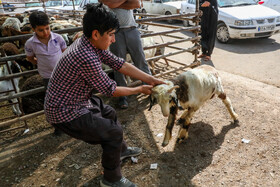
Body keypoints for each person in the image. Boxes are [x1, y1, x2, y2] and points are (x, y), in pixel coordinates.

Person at [44, 3, 165, 187]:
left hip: (76, 99)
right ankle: (111, 179)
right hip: (63, 110)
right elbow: (111, 90)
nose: (114, 40)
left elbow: (120, 64)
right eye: (110, 34)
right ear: (96, 34)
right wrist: (140, 89)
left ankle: (121, 150)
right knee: (113, 132)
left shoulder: (88, 42)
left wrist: (149, 78)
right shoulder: (86, 56)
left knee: (108, 112)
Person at [101, 0, 152, 109]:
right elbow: (109, 4)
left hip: (132, 29)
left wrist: (116, 4)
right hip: (116, 32)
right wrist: (125, 2)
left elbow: (137, 4)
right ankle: (123, 96)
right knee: (118, 66)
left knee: (141, 61)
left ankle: (151, 89)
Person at [25, 11, 67, 136]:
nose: (45, 32)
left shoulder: (59, 38)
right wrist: (39, 63)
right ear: (33, 29)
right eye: (41, 30)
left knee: (67, 98)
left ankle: (71, 123)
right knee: (53, 102)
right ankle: (59, 126)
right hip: (48, 77)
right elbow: (30, 58)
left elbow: (65, 53)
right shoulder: (30, 43)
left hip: (63, 74)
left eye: (47, 28)